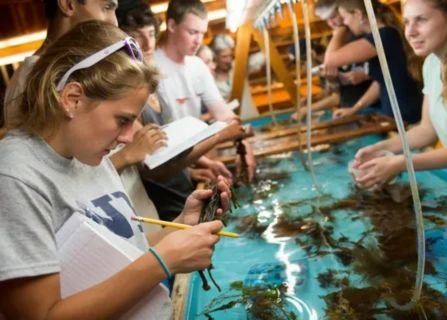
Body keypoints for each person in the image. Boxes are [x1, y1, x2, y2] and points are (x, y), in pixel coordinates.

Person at [0, 21, 231, 319]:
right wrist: (162, 262)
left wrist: (182, 224)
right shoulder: (16, 177)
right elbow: (43, 315)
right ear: (72, 98)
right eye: (122, 120)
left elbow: (120, 254)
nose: (127, 137)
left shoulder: (88, 155)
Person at [116, 0, 247, 221]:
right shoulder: (126, 94)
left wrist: (201, 164)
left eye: (151, 33)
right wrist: (220, 135)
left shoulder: (154, 83)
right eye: (137, 37)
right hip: (163, 206)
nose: (148, 44)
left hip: (182, 192)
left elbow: (168, 145)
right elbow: (153, 166)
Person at [352, 0, 447, 189]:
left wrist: (402, 163)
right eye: (407, 22)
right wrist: (381, 148)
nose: (410, 32)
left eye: (421, 20)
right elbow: (427, 130)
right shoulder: (431, 63)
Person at [155, 0, 255, 180]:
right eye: (192, 32)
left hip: (194, 157)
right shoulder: (152, 68)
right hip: (164, 169)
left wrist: (243, 144)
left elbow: (223, 113)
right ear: (171, 25)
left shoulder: (197, 66)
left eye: (201, 33)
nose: (198, 41)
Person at [3, 0, 119, 127]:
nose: (114, 23)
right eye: (106, 8)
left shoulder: (58, 71)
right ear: (67, 4)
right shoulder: (40, 76)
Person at [323, 0, 423, 124]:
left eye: (345, 17)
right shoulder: (383, 34)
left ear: (358, 14)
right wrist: (355, 108)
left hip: (407, 117)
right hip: (395, 116)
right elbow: (380, 82)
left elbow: (330, 60)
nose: (345, 22)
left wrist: (339, 32)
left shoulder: (382, 36)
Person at [291, 0, 376, 121]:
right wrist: (332, 80)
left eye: (334, 17)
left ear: (342, 10)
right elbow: (336, 91)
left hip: (371, 107)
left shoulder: (362, 35)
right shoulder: (336, 40)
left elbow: (383, 74)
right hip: (352, 108)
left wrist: (366, 76)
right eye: (326, 20)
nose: (331, 23)